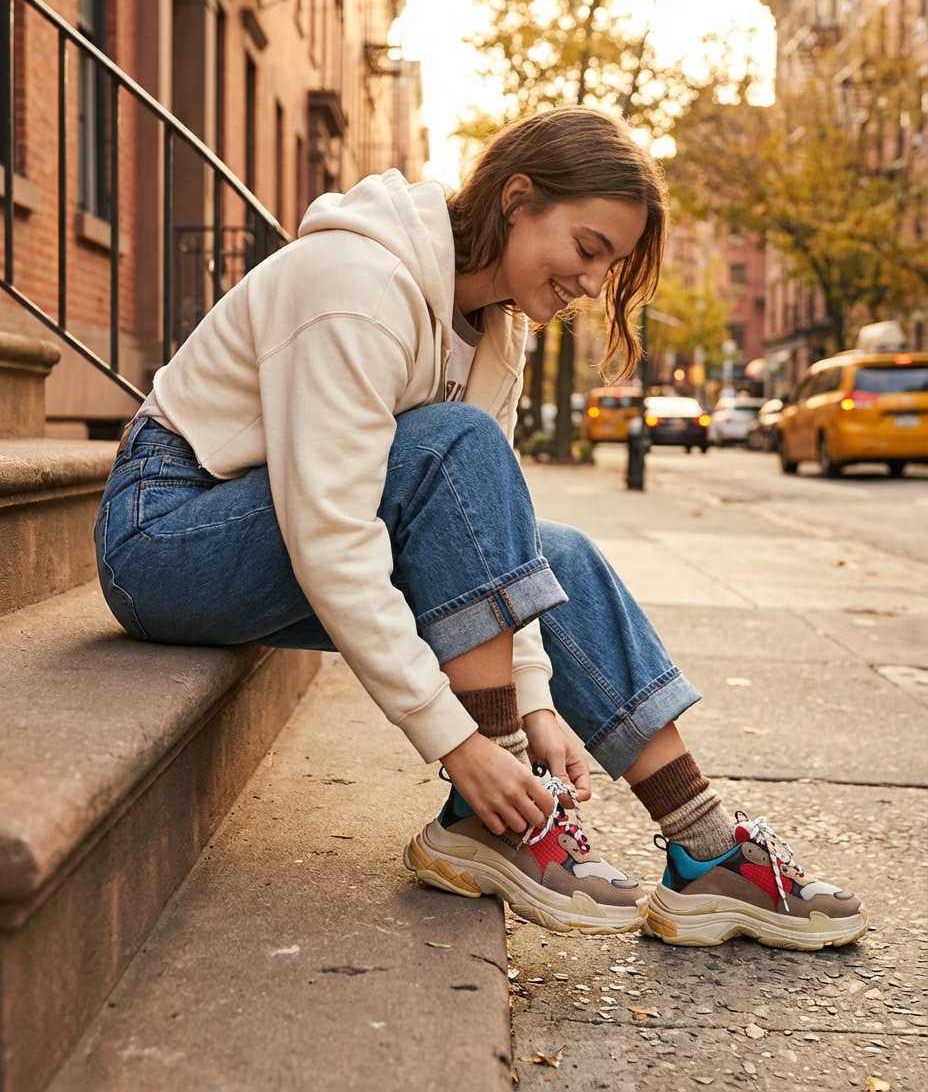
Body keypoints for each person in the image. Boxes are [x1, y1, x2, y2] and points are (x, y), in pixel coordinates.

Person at [95, 107, 866, 951]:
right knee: (451, 444)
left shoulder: (497, 329)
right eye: (588, 248)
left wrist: (535, 703)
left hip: (267, 535)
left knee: (559, 549)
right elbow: (330, 535)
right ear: (518, 198)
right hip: (166, 534)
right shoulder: (356, 281)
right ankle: (485, 821)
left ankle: (708, 849)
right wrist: (464, 744)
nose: (591, 284)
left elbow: (497, 536)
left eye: (608, 264)